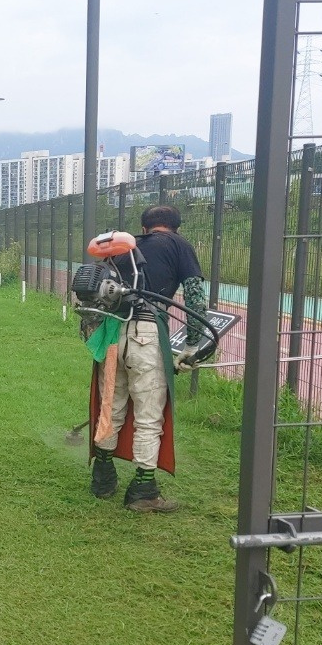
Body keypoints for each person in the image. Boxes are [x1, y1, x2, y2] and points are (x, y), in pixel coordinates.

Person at [84, 205, 209, 513]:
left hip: (113, 333)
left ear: (144, 227)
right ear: (175, 228)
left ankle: (103, 477)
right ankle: (143, 489)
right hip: (147, 336)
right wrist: (192, 345)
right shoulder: (180, 245)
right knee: (148, 416)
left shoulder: (125, 247)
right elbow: (195, 297)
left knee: (110, 407)